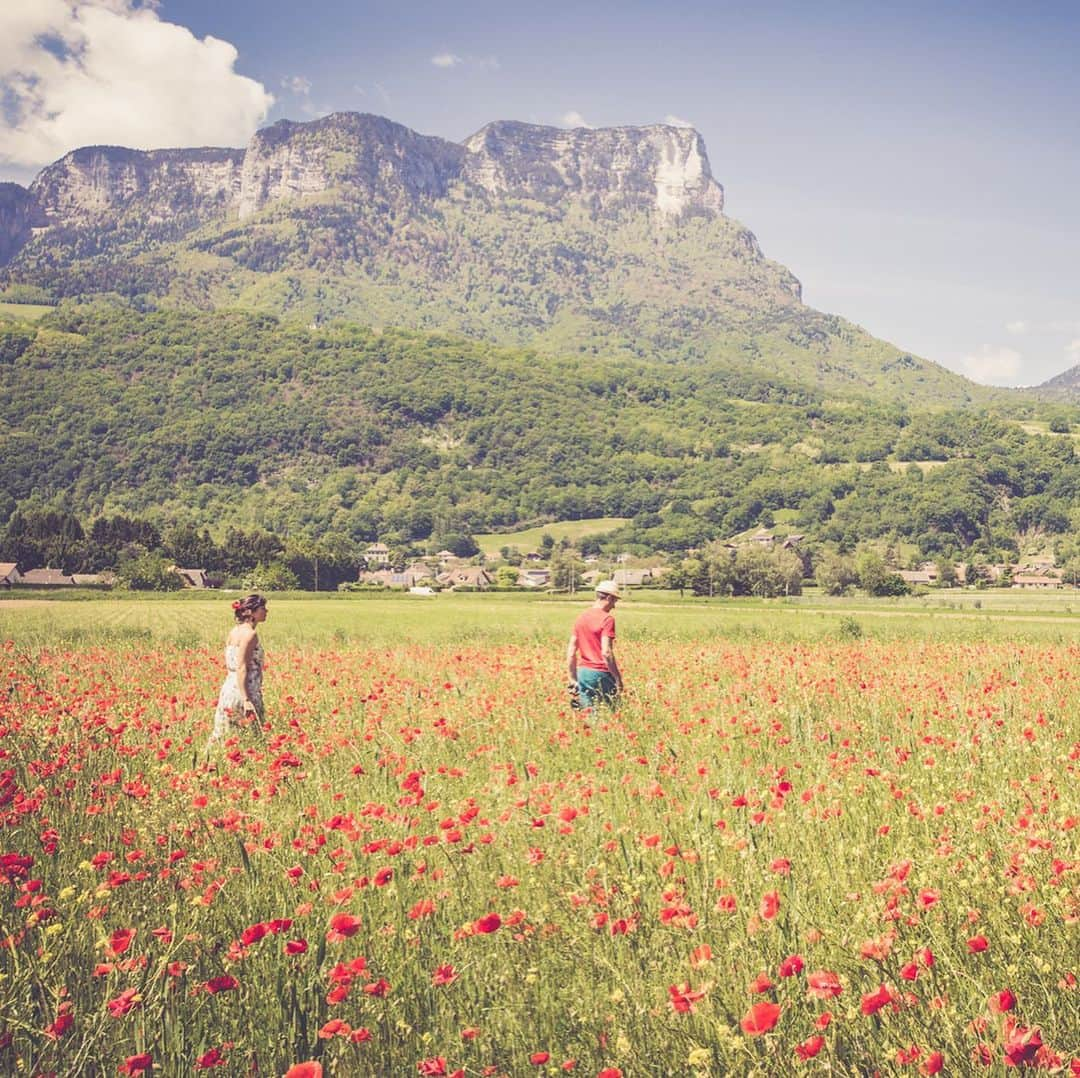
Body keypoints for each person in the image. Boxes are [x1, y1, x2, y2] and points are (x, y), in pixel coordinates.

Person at [209, 594, 267, 745]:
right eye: (262, 608)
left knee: (224, 735)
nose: (266, 611)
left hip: (229, 689)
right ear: (251, 612)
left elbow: (231, 664)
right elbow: (242, 667)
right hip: (245, 690)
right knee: (253, 738)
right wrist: (247, 699)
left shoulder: (234, 631)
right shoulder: (250, 634)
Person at [566, 580, 624, 709]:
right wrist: (618, 678)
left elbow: (571, 652)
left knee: (589, 713)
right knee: (612, 712)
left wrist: (572, 678)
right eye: (614, 601)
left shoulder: (581, 617)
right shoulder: (607, 619)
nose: (614, 606)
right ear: (608, 597)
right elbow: (606, 652)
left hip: (583, 673)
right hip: (601, 673)